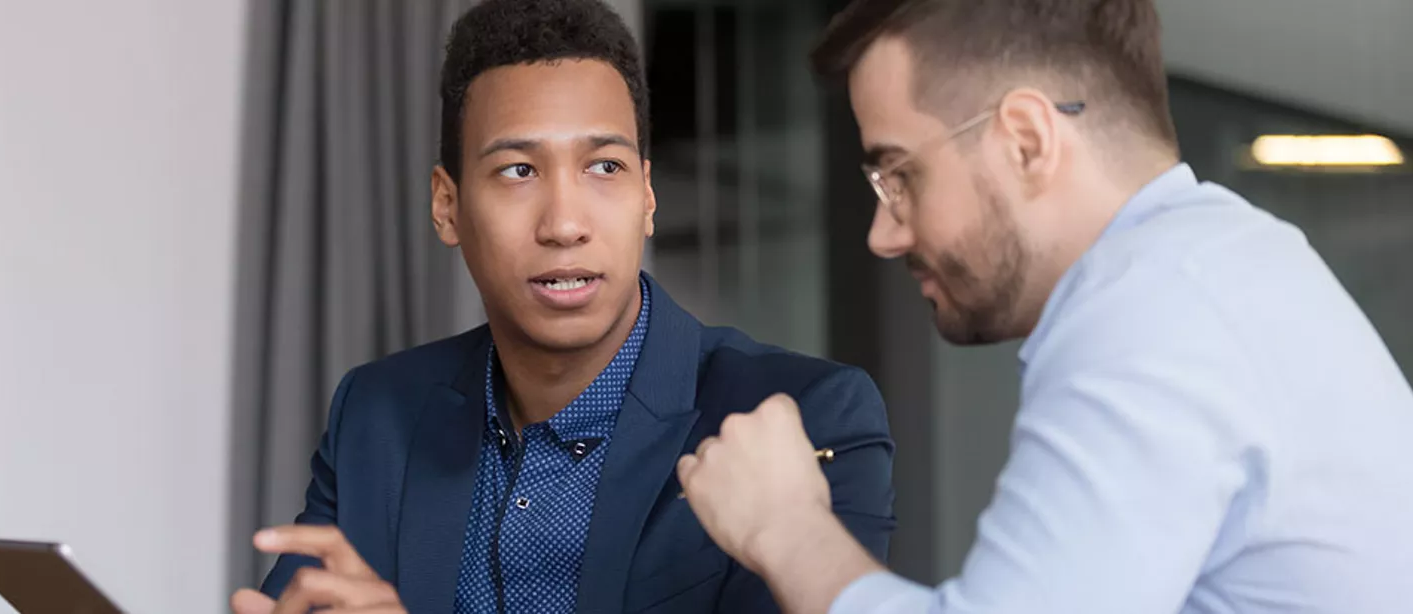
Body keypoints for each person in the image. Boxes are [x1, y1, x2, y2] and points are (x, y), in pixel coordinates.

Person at [676, 0, 1413, 613]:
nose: (884, 233)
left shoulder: (1154, 311)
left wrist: (786, 526)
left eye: (901, 175)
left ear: (1027, 140)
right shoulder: (1221, 268)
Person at [228, 1, 897, 613]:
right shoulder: (377, 416)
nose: (565, 223)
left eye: (604, 167)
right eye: (518, 171)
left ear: (648, 197)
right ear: (447, 204)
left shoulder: (803, 419)